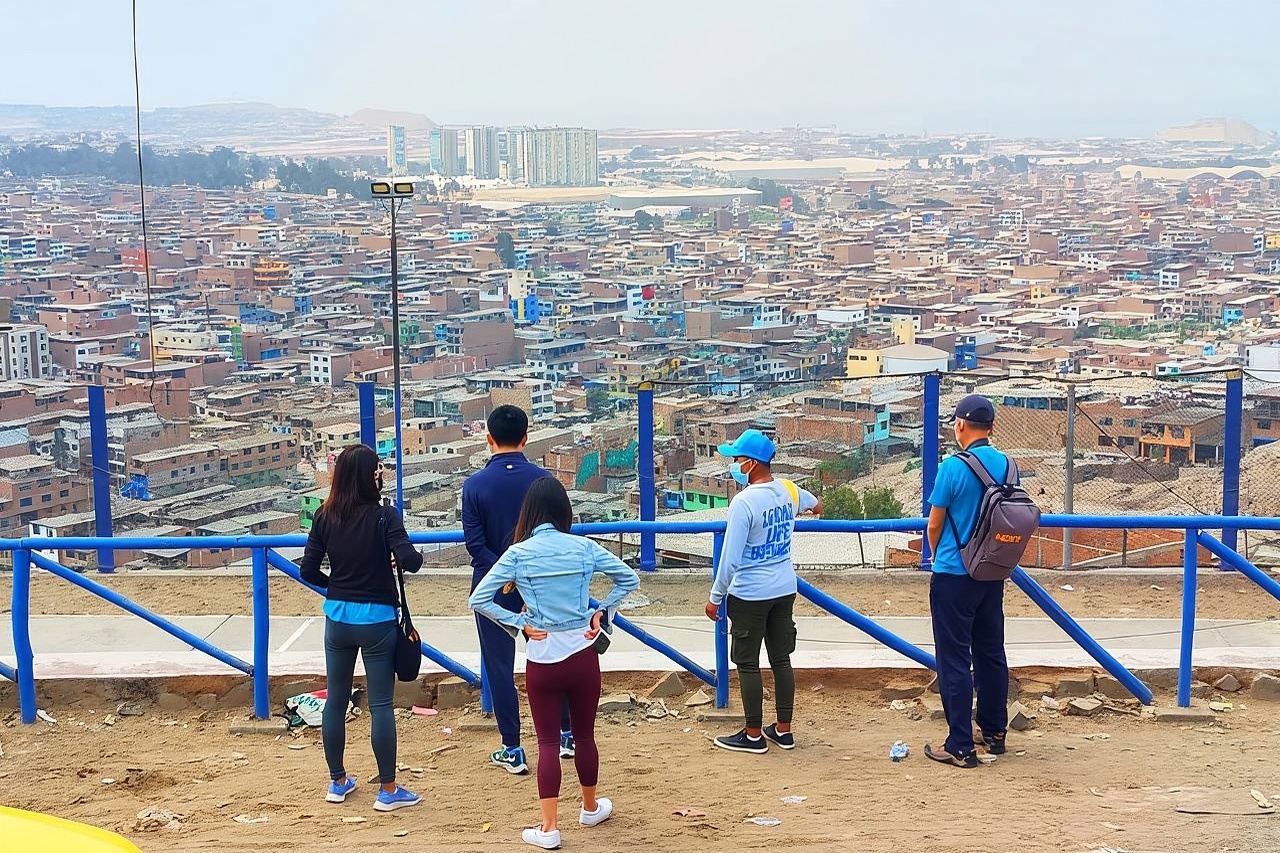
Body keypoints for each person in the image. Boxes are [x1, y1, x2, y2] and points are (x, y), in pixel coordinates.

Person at [469, 477, 639, 850]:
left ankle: (549, 828)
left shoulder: (518, 553)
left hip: (542, 655)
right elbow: (629, 577)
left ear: (528, 514)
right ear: (565, 511)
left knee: (547, 742)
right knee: (584, 735)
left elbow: (480, 599)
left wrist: (521, 624)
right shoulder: (583, 547)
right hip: (582, 651)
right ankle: (591, 807)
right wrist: (602, 613)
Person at [299, 444, 422, 811]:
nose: (380, 475)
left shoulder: (324, 514)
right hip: (378, 621)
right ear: (370, 476)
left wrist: (338, 587)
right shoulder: (385, 516)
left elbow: (307, 570)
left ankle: (337, 782)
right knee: (380, 704)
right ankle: (387, 790)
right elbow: (410, 562)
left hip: (337, 619)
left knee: (335, 701)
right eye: (377, 470)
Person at [462, 405, 574, 775]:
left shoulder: (474, 485)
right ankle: (566, 735)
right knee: (553, 657)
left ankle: (512, 747)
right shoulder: (545, 482)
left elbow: (474, 545)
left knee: (499, 665)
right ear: (526, 438)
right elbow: (559, 535)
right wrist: (527, 573)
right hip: (542, 582)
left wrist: (505, 574)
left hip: (492, 585)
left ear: (488, 438)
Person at [704, 429, 822, 754]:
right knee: (781, 658)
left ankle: (753, 734)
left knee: (747, 662)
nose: (734, 464)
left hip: (750, 593)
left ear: (752, 464)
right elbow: (817, 505)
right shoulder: (787, 490)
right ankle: (783, 730)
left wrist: (715, 598)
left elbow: (729, 558)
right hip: (784, 587)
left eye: (738, 459)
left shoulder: (743, 503)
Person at [924, 394, 1012, 768]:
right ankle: (994, 732)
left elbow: (934, 523)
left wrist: (935, 556)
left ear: (959, 425)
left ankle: (960, 744)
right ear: (991, 427)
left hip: (954, 573)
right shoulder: (1007, 464)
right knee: (991, 652)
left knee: (955, 657)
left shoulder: (952, 467)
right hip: (991, 571)